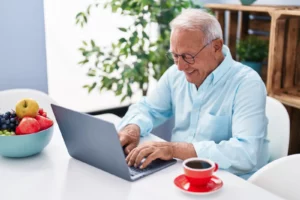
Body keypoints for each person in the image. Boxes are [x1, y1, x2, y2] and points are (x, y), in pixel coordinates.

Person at [116, 8, 269, 179]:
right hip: (180, 173)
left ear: (216, 47)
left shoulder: (247, 84)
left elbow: (246, 154)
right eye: (175, 55)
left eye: (188, 56)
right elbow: (148, 108)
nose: (180, 66)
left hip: (228, 180)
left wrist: (174, 149)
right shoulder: (176, 73)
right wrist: (132, 128)